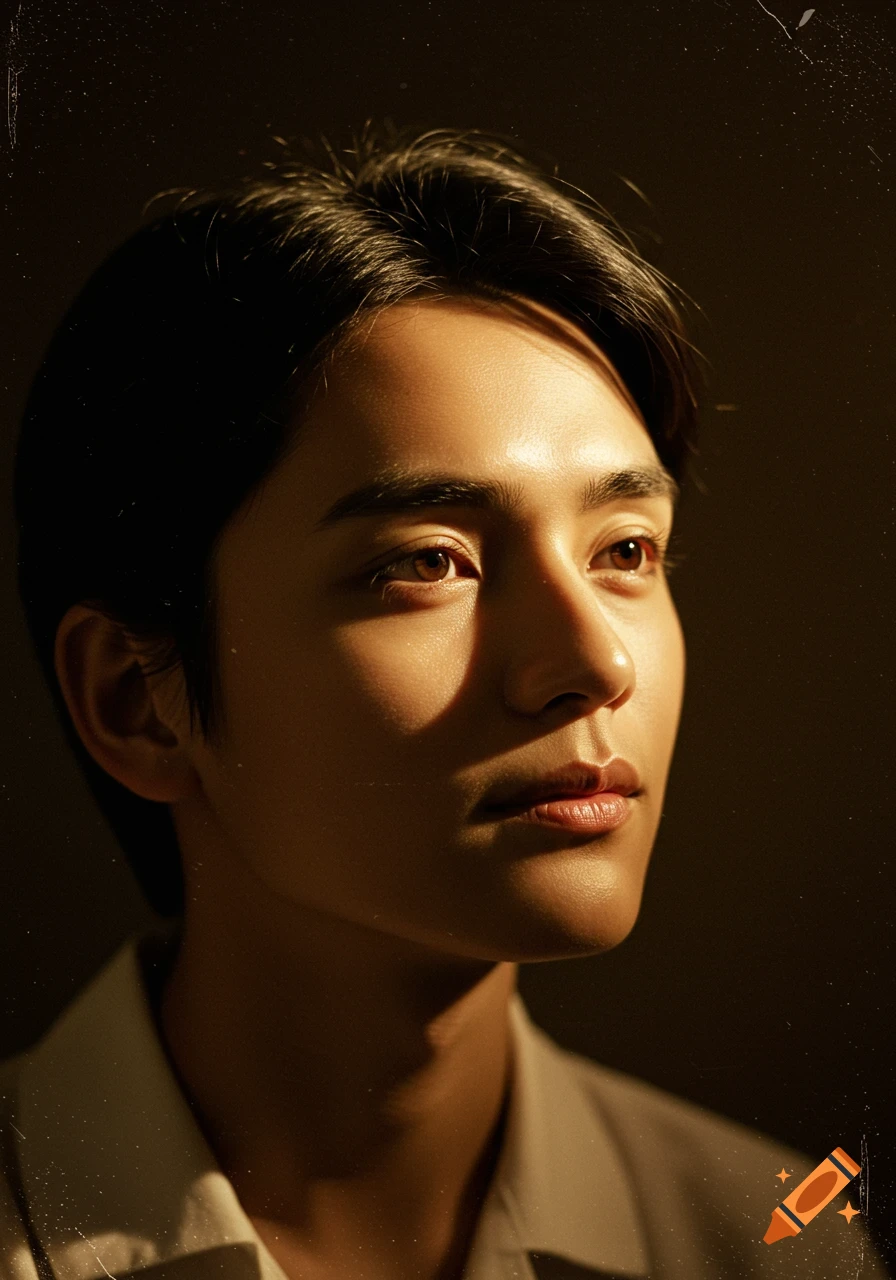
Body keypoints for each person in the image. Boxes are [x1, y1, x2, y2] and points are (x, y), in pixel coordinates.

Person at [2, 127, 888, 1280]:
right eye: (426, 561)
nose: (591, 660)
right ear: (138, 698)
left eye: (624, 547)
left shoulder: (778, 1246)